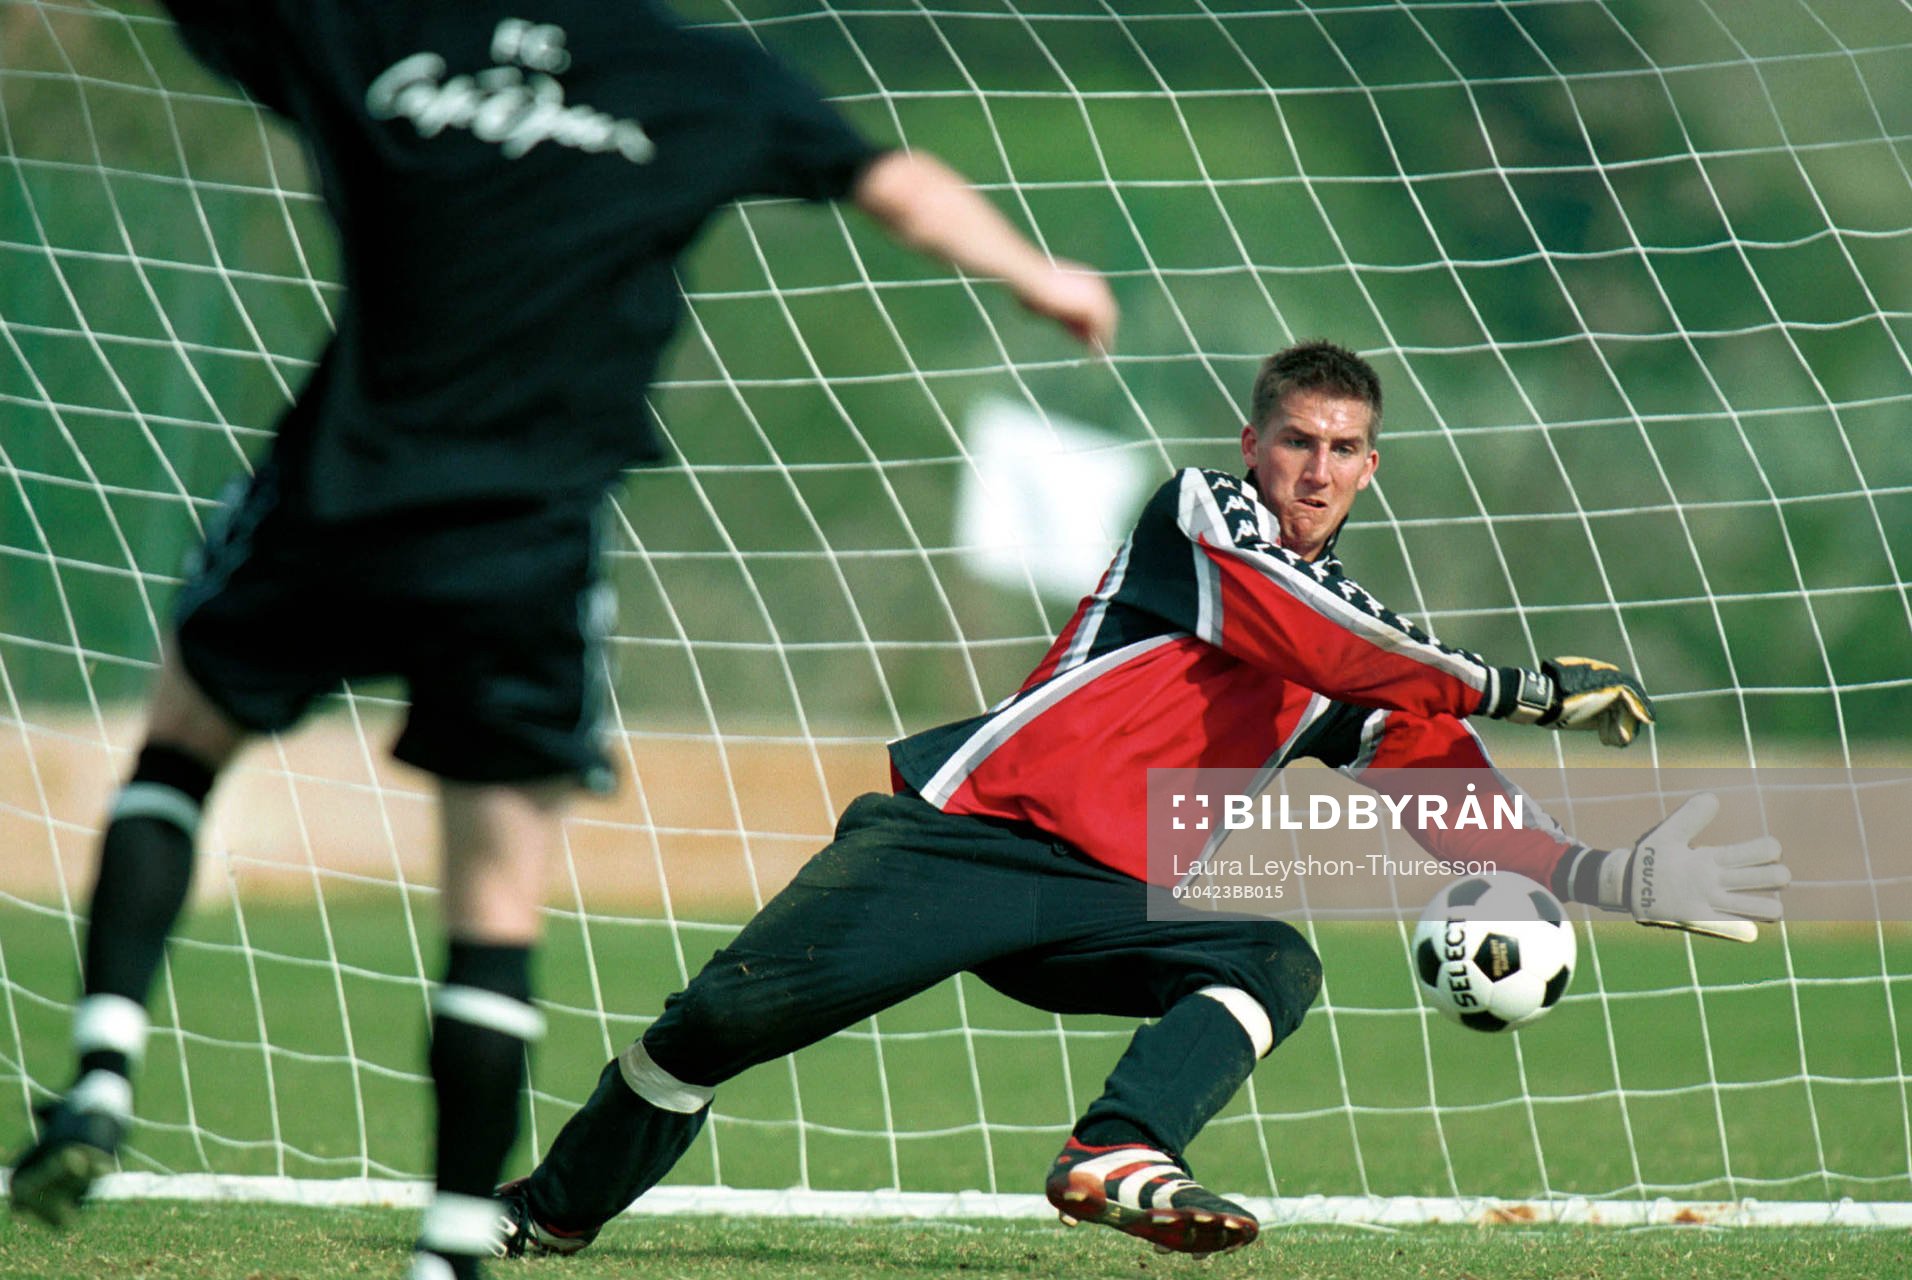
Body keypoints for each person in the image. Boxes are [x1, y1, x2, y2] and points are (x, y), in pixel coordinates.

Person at [4, 5, 1116, 1279]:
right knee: (492, 901)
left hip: (337, 502)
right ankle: (452, 1243)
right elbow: (895, 182)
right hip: (520, 550)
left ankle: (98, 1067)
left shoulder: (372, 33)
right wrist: (1037, 273)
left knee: (180, 746)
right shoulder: (698, 79)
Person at [488, 340, 1787, 1259]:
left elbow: (1446, 787)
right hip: (967, 844)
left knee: (1267, 952)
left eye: (1344, 450)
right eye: (1298, 442)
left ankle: (1121, 1153)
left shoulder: (1367, 645)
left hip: (1110, 897)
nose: (1316, 469)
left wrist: (1615, 879)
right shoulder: (1200, 518)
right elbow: (1318, 639)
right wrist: (1514, 679)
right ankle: (548, 1209)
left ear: (1372, 467)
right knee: (715, 1026)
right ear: (1252, 445)